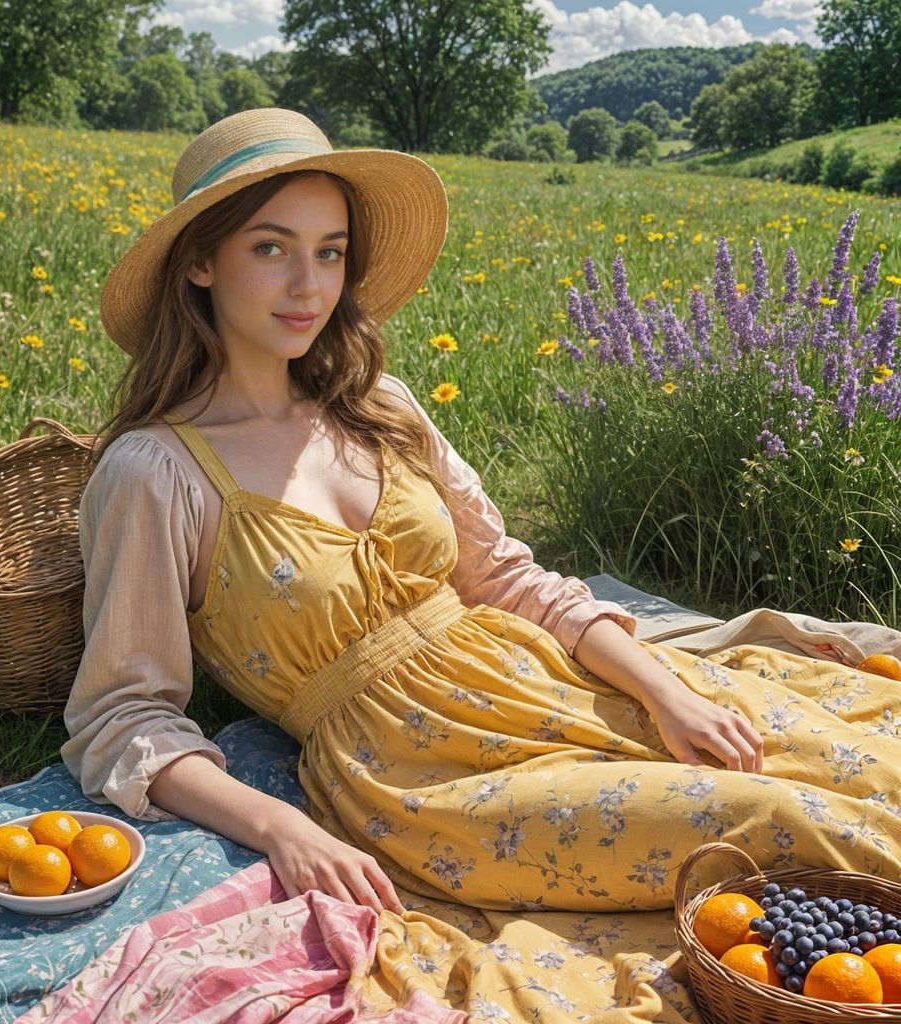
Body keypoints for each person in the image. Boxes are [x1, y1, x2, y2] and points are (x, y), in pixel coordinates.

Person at [62, 108, 901, 939]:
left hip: (540, 679)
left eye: (330, 253)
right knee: (780, 821)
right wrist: (287, 829)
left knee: (842, 755)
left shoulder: (377, 406)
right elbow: (122, 716)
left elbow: (503, 576)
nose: (308, 286)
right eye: (270, 248)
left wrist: (661, 686)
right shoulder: (157, 473)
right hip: (416, 776)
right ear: (201, 263)